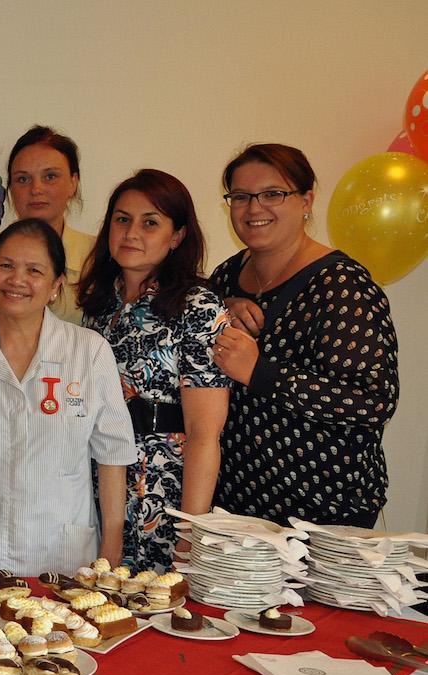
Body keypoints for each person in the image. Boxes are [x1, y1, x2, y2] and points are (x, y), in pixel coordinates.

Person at [209, 144, 398, 527]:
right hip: (235, 505)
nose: (254, 208)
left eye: (273, 194)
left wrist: (261, 372)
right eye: (241, 196)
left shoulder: (343, 286)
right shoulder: (227, 275)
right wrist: (221, 305)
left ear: (306, 200)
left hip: (323, 513)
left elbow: (374, 402)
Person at [0, 219, 136, 575]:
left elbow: (112, 455)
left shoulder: (88, 352)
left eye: (34, 270)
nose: (17, 280)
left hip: (68, 556)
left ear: (56, 285)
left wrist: (111, 548)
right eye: (6, 266)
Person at [77, 170, 229, 570]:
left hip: (165, 488)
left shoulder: (198, 307)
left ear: (176, 236)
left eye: (150, 222)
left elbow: (204, 434)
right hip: (96, 479)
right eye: (122, 219)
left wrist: (190, 535)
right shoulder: (97, 307)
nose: (131, 233)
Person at [0, 125, 95, 322]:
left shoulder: (97, 257)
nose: (36, 189)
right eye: (23, 179)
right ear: (10, 188)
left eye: (50, 177)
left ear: (73, 182)